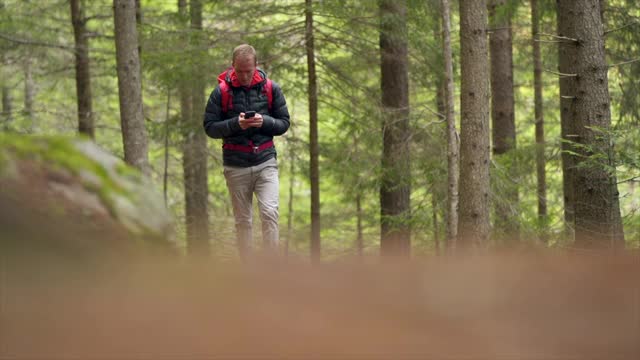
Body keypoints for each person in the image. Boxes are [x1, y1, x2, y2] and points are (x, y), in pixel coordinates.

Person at [203, 44, 290, 259]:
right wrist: (235, 124)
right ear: (232, 66)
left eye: (248, 71)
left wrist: (264, 122)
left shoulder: (271, 88)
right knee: (243, 222)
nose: (244, 76)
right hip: (235, 165)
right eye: (240, 71)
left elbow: (284, 123)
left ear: (256, 66)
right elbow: (210, 127)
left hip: (265, 162)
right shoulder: (221, 92)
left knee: (270, 213)